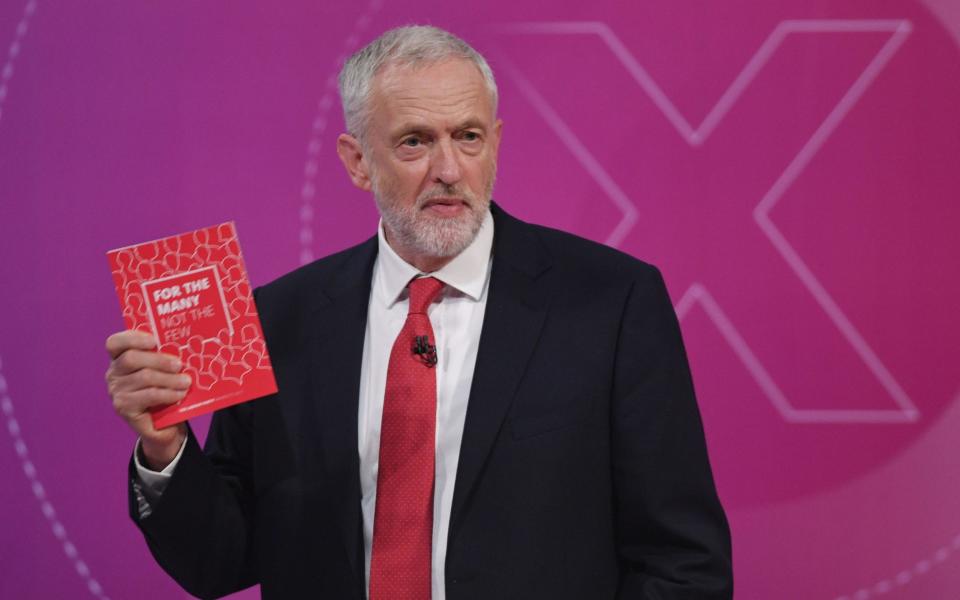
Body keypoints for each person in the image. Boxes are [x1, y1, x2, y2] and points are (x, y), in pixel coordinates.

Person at [105, 25, 732, 600]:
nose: (449, 169)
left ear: (496, 142)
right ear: (357, 162)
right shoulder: (280, 318)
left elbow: (682, 563)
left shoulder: (610, 303)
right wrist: (165, 450)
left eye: (468, 136)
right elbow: (221, 561)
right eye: (414, 142)